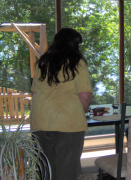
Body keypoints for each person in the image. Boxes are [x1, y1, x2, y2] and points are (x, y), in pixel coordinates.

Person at [31, 28, 93, 180]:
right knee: (67, 170)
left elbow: (34, 93)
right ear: (73, 45)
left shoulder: (42, 63)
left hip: (40, 121)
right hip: (69, 123)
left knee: (44, 169)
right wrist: (83, 111)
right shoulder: (77, 63)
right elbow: (84, 97)